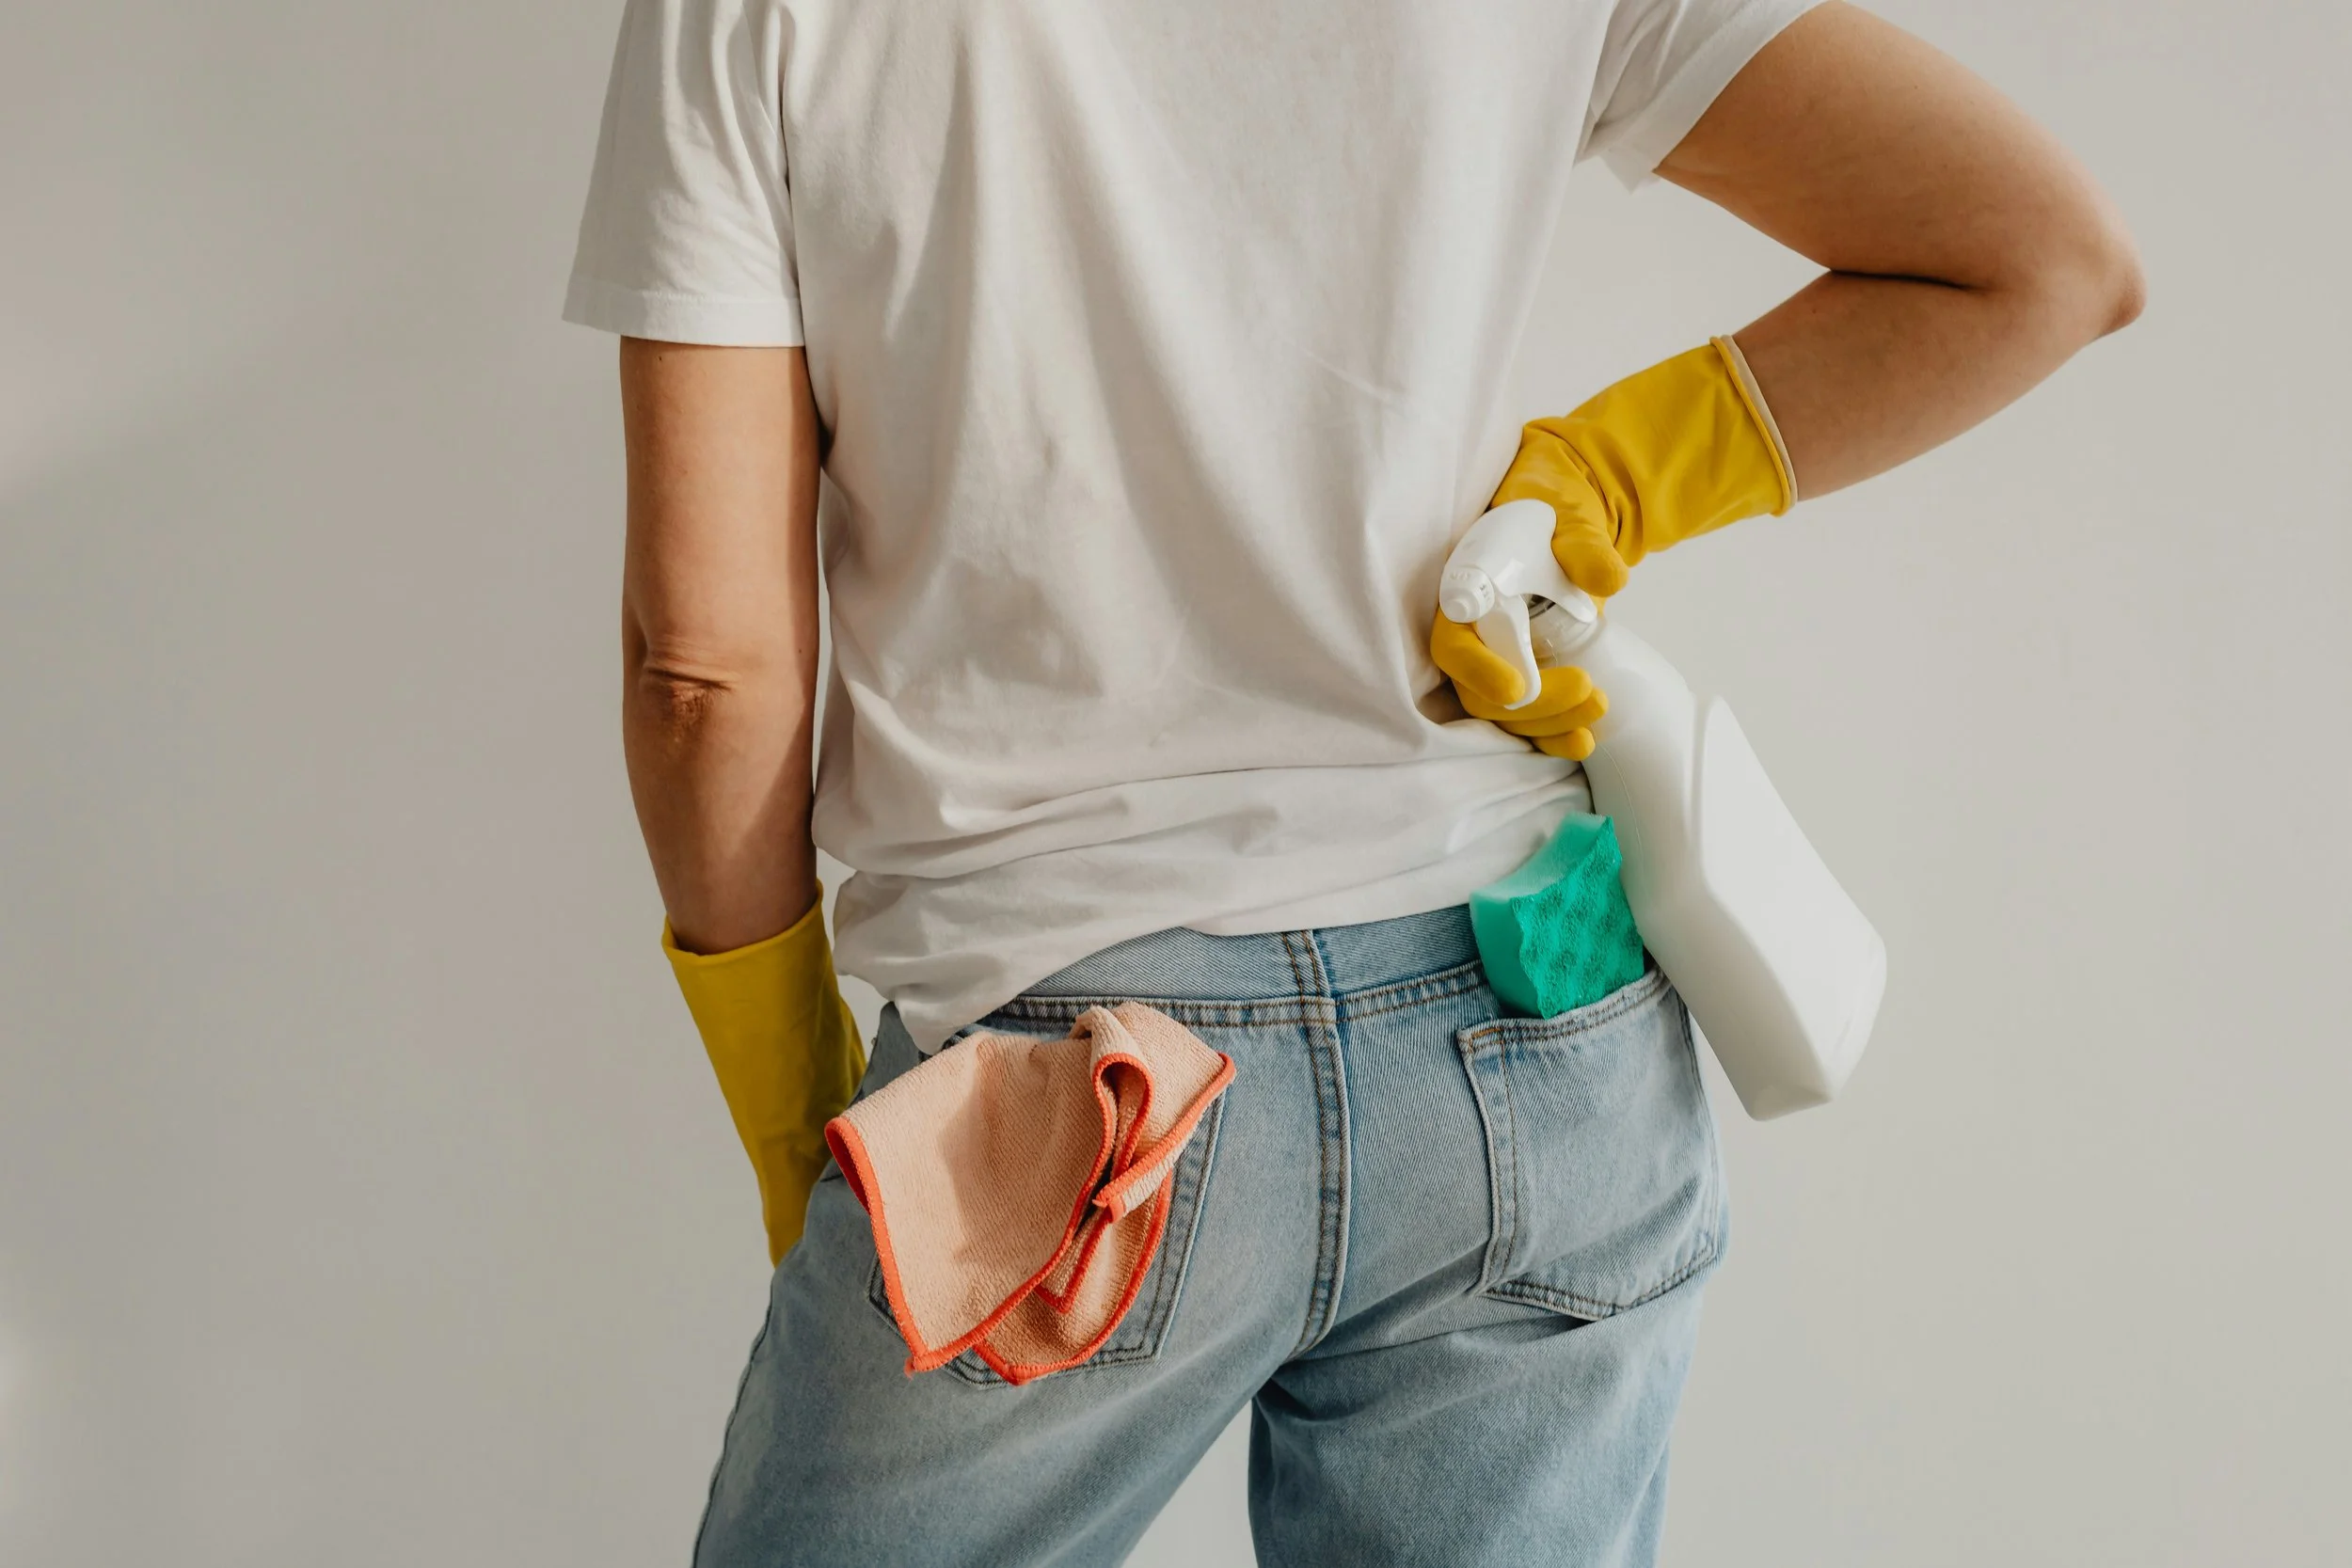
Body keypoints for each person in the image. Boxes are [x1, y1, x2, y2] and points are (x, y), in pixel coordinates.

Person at [564, 0, 2140, 1559]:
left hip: (1065, 1098)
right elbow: (2037, 259)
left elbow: (703, 674)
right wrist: (1607, 477)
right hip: (1533, 1029)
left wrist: (795, 1125)